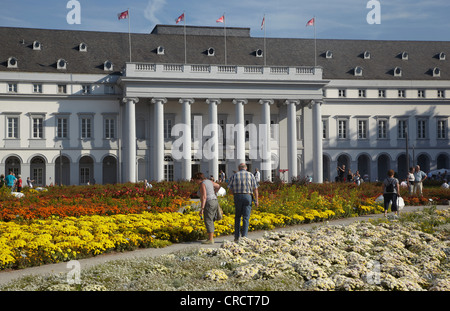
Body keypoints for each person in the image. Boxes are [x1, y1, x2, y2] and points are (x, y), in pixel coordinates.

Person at [227, 163, 259, 242]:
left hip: (237, 196)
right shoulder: (251, 175)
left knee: (237, 217)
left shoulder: (235, 175)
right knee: (246, 217)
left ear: (238, 168)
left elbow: (229, 188)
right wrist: (257, 200)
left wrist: (233, 194)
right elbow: (255, 189)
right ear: (246, 168)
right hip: (247, 196)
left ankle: (236, 237)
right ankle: (244, 237)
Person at [193, 172, 221, 244]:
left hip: (209, 202)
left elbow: (204, 197)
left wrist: (202, 209)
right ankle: (210, 237)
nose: (195, 182)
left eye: (195, 180)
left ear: (198, 179)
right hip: (214, 200)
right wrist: (214, 193)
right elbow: (218, 186)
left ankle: (210, 239)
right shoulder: (209, 181)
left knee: (208, 219)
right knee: (211, 219)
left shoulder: (202, 184)